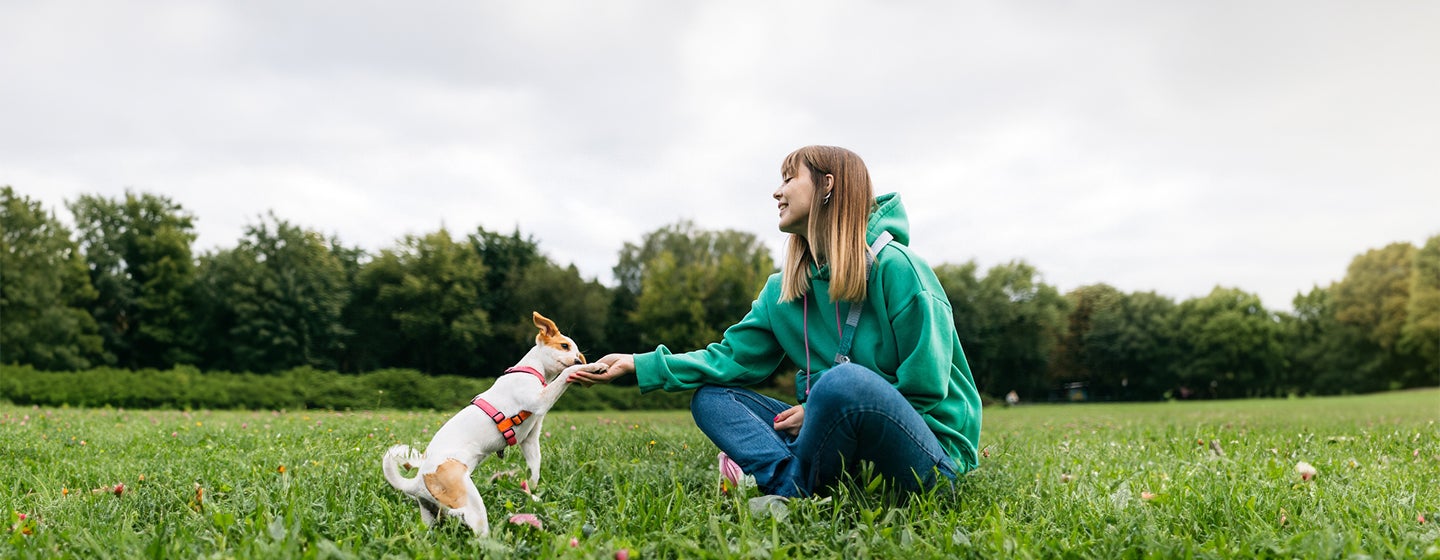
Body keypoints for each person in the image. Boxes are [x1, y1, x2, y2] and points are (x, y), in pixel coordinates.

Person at [571, 145, 982, 498]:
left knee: (842, 383)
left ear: (827, 185)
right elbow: (729, 359)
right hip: (845, 441)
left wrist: (824, 406)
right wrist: (637, 363)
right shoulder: (782, 289)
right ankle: (795, 486)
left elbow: (926, 388)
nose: (776, 191)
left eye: (789, 179)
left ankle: (792, 484)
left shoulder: (899, 269)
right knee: (713, 398)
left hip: (928, 455)